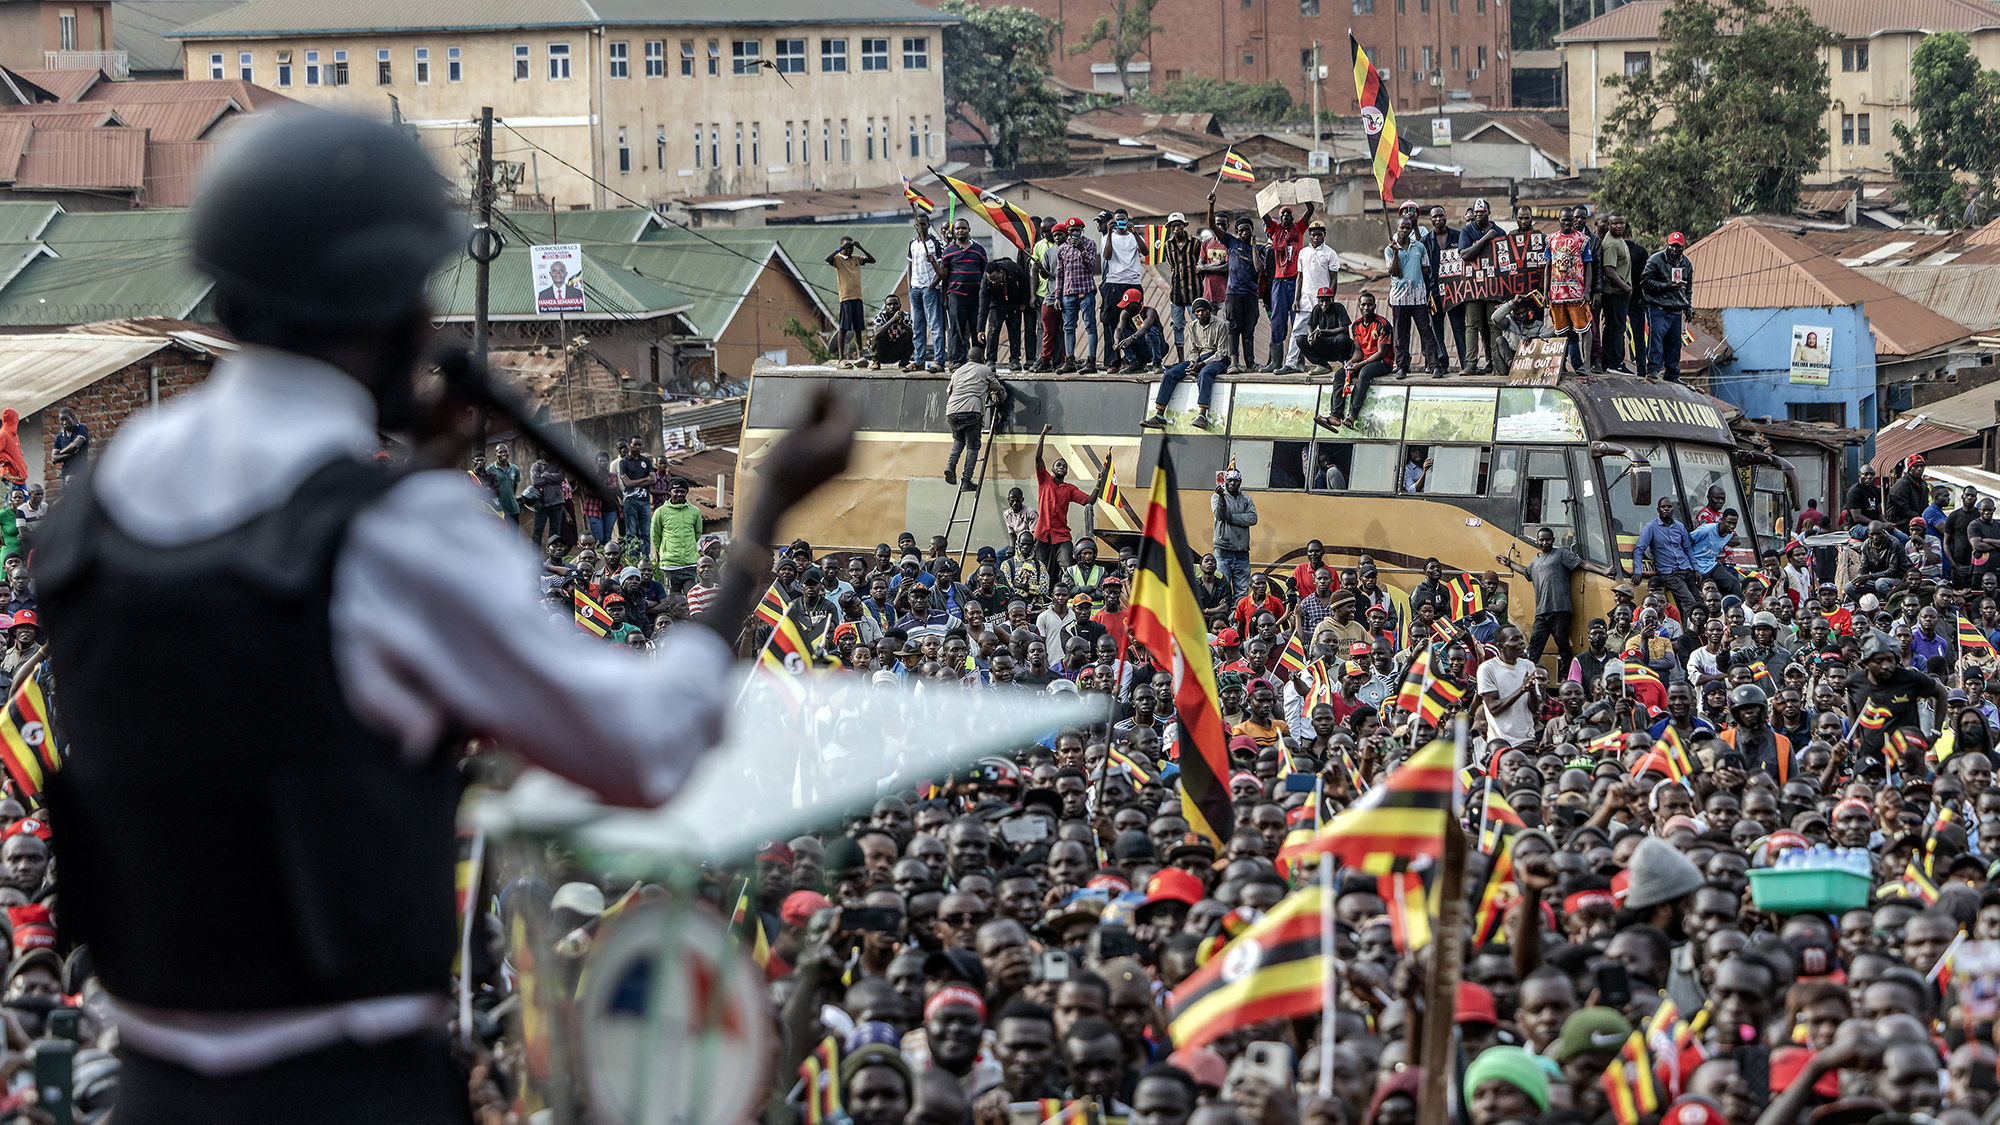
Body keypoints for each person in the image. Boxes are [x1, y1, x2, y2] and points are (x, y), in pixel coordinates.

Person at [36, 112, 856, 1124]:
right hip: (348, 1093)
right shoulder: (404, 537)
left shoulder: (95, 501)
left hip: (154, 1091)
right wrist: (753, 537)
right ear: (400, 306)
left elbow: (251, 653)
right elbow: (643, 750)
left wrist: (401, 475)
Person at [1501, 526, 1582, 676]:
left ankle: (1567, 677)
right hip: (1542, 612)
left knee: (1563, 644)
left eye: (1547, 539)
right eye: (1541, 540)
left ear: (1553, 540)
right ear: (1537, 541)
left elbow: (1581, 564)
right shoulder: (1536, 559)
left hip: (1560, 610)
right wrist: (1509, 563)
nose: (1544, 542)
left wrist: (1604, 571)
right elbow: (1526, 572)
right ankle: (1525, 675)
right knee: (1534, 645)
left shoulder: (1561, 554)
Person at [1142, 299, 1226, 430]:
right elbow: (1193, 350)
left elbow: (1222, 352)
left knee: (1205, 374)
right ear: (1194, 313)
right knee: (1171, 373)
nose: (1201, 313)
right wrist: (1193, 363)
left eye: (1203, 310)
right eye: (1197, 311)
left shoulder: (1221, 325)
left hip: (1218, 358)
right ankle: (1159, 414)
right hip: (1199, 358)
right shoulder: (1193, 326)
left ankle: (1202, 415)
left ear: (1209, 311)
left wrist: (1202, 364)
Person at [1205, 192, 1262, 373]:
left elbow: (1258, 268)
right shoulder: (1231, 243)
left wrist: (1253, 247)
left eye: (1248, 229)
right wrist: (1211, 205)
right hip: (1233, 293)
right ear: (1237, 232)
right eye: (1241, 230)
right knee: (1233, 328)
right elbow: (1212, 225)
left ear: (1252, 231)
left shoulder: (1258, 249)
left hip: (1251, 294)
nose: (1245, 232)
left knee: (1249, 330)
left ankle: (1251, 363)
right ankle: (1234, 363)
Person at [1033, 424, 1099, 578]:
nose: (1062, 467)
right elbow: (1037, 458)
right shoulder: (1044, 480)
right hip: (1042, 535)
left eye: (1064, 466)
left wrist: (1098, 484)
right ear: (1052, 468)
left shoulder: (1069, 489)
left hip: (1062, 536)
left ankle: (1069, 598)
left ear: (1067, 471)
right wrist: (1043, 434)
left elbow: (1089, 500)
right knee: (1043, 571)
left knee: (1067, 568)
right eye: (1058, 465)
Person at [1384, 212, 1440, 378]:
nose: (1405, 230)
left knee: (1426, 332)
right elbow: (1393, 272)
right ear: (1397, 228)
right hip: (1399, 298)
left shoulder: (1419, 246)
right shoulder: (1389, 249)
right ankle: (1401, 366)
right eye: (1402, 227)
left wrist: (1414, 276)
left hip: (1418, 297)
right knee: (1400, 334)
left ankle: (1434, 365)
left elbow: (1426, 268)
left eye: (1408, 228)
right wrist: (1395, 253)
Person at [1264, 199, 1313, 373]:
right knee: (1277, 320)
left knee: (1297, 320)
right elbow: (1264, 214)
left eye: (1289, 213)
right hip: (1279, 281)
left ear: (1293, 216)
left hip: (1296, 280)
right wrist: (1271, 198)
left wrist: (1302, 194)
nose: (1286, 215)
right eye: (1282, 213)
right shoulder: (1275, 230)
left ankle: (1297, 361)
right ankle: (1276, 361)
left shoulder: (1299, 228)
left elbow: (1310, 209)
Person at [1455, 199, 1503, 375]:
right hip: (1473, 286)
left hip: (1493, 286)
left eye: (1481, 212)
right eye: (1476, 212)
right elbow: (1465, 254)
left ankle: (1497, 363)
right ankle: (1471, 364)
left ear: (1488, 212)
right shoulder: (1467, 231)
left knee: (1494, 323)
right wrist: (1485, 239)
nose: (1478, 215)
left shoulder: (1500, 231)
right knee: (1472, 325)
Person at [1639, 232, 1694, 382]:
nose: (1675, 250)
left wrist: (1688, 307)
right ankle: (1653, 370)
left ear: (1683, 247)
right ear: (1668, 245)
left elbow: (1688, 289)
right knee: (1655, 338)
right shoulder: (1656, 260)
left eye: (1678, 247)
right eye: (1672, 246)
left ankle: (1672, 374)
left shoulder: (1686, 263)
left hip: (1676, 309)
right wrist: (1665, 286)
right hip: (1658, 307)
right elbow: (1645, 282)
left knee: (1674, 343)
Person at [945, 363, 1006, 489]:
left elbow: (948, 391)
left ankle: (950, 465)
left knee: (959, 439)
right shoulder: (984, 369)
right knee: (973, 446)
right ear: (981, 359)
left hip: (952, 410)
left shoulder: (958, 371)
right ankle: (966, 480)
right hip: (971, 410)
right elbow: (996, 386)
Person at [1634, 496, 1701, 610]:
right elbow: (1639, 549)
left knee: (1700, 602)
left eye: (1669, 506)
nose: (1666, 509)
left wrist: (1696, 569)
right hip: (1669, 573)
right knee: (1689, 601)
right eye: (1663, 507)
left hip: (1686, 568)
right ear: (1658, 510)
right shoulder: (1651, 527)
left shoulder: (1679, 526)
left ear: (1673, 509)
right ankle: (1689, 628)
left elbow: (1687, 548)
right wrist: (1637, 571)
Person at [1099, 211, 1147, 372]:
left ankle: (1137, 360)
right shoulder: (1107, 237)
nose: (1120, 223)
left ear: (1128, 221)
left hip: (1133, 282)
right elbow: (1106, 256)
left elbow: (1146, 252)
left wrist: (1134, 232)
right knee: (1111, 322)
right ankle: (1113, 361)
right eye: (1117, 220)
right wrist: (1110, 234)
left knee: (1136, 321)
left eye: (1123, 220)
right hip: (1114, 282)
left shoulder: (1134, 236)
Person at [1055, 219, 1101, 374]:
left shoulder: (1090, 244)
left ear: (1082, 230)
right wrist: (1057, 296)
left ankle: (1091, 362)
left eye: (1077, 229)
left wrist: (1082, 249)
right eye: (1071, 229)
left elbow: (1090, 267)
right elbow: (1059, 274)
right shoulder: (1062, 248)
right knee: (1068, 328)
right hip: (1068, 293)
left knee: (1090, 326)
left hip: (1086, 290)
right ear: (1067, 230)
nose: (1074, 232)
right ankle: (1070, 361)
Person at [940, 220, 988, 368]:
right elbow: (944, 275)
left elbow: (985, 272)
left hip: (976, 295)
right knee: (956, 330)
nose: (960, 231)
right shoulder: (948, 251)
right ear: (953, 231)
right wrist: (945, 298)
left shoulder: (979, 249)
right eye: (958, 228)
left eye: (963, 228)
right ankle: (957, 361)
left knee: (977, 329)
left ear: (969, 229)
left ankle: (978, 360)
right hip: (956, 295)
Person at [1593, 212, 1636, 374]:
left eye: (1622, 223)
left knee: (1612, 327)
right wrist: (1626, 288)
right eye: (1615, 223)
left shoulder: (1618, 240)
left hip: (1619, 292)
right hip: (1615, 293)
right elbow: (1609, 271)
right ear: (1608, 225)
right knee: (1617, 328)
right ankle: (1616, 363)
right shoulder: (1610, 244)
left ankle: (1608, 361)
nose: (1619, 226)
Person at [826, 236, 877, 367]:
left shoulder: (856, 259)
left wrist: (861, 248)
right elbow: (827, 259)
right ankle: (841, 357)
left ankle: (860, 355)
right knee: (843, 328)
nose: (848, 250)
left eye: (850, 247)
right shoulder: (837, 259)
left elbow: (872, 260)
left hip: (857, 297)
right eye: (846, 247)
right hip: (845, 298)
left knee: (858, 328)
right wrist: (840, 248)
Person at [907, 212, 947, 371]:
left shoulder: (935, 244)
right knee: (917, 327)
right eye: (918, 224)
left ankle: (939, 361)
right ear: (915, 226)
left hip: (930, 289)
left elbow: (942, 268)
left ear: (928, 225)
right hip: (915, 289)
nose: (920, 227)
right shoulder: (912, 244)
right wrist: (910, 285)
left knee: (935, 326)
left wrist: (933, 284)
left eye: (923, 224)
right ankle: (918, 360)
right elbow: (909, 265)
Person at [650, 476, 703, 594]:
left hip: (691, 564)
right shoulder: (660, 512)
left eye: (683, 491)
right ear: (670, 492)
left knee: (692, 598)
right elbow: (655, 536)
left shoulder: (695, 511)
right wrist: (665, 552)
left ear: (687, 493)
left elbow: (697, 533)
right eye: (676, 491)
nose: (679, 494)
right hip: (670, 566)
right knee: (673, 601)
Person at [976, 257, 1030, 369]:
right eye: (991, 280)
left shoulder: (1012, 268)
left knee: (1015, 330)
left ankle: (1015, 359)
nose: (994, 282)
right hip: (996, 303)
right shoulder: (986, 281)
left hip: (1013, 301)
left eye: (996, 279)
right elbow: (983, 304)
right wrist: (980, 329)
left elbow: (1024, 281)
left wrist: (1024, 301)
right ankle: (990, 359)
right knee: (993, 330)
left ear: (1002, 273)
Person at [1212, 469, 1258, 599]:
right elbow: (1220, 515)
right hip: (1223, 551)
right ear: (1225, 480)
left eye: (1236, 480)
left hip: (1242, 552)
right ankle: (1222, 618)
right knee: (1222, 590)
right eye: (1230, 480)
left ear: (1240, 482)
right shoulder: (1216, 496)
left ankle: (1238, 618)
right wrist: (1222, 498)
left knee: (1242, 592)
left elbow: (1253, 518)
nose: (1232, 483)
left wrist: (1231, 518)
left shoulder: (1246, 498)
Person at [1110, 289, 1167, 373]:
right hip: (1142, 348)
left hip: (1158, 347)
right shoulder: (1125, 313)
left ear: (1136, 304)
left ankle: (1157, 364)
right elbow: (1119, 328)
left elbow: (1145, 328)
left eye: (1127, 305)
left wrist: (1131, 338)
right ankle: (1136, 363)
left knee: (1151, 331)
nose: (1125, 307)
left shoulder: (1150, 311)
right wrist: (1116, 342)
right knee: (1123, 332)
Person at [870, 293, 915, 370]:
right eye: (889, 304)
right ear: (885, 307)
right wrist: (893, 320)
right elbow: (877, 333)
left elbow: (913, 333)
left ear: (900, 306)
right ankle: (876, 362)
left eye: (895, 304)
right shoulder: (881, 316)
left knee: (914, 335)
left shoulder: (906, 316)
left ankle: (904, 362)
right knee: (877, 336)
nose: (892, 307)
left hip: (898, 351)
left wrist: (902, 323)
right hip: (883, 352)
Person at [51, 406, 89, 485]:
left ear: (72, 418)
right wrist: (71, 453)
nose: (64, 422)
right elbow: (54, 458)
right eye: (62, 420)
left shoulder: (81, 429)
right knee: (66, 496)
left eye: (67, 419)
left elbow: (75, 446)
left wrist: (61, 452)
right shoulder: (59, 437)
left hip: (80, 474)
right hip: (66, 475)